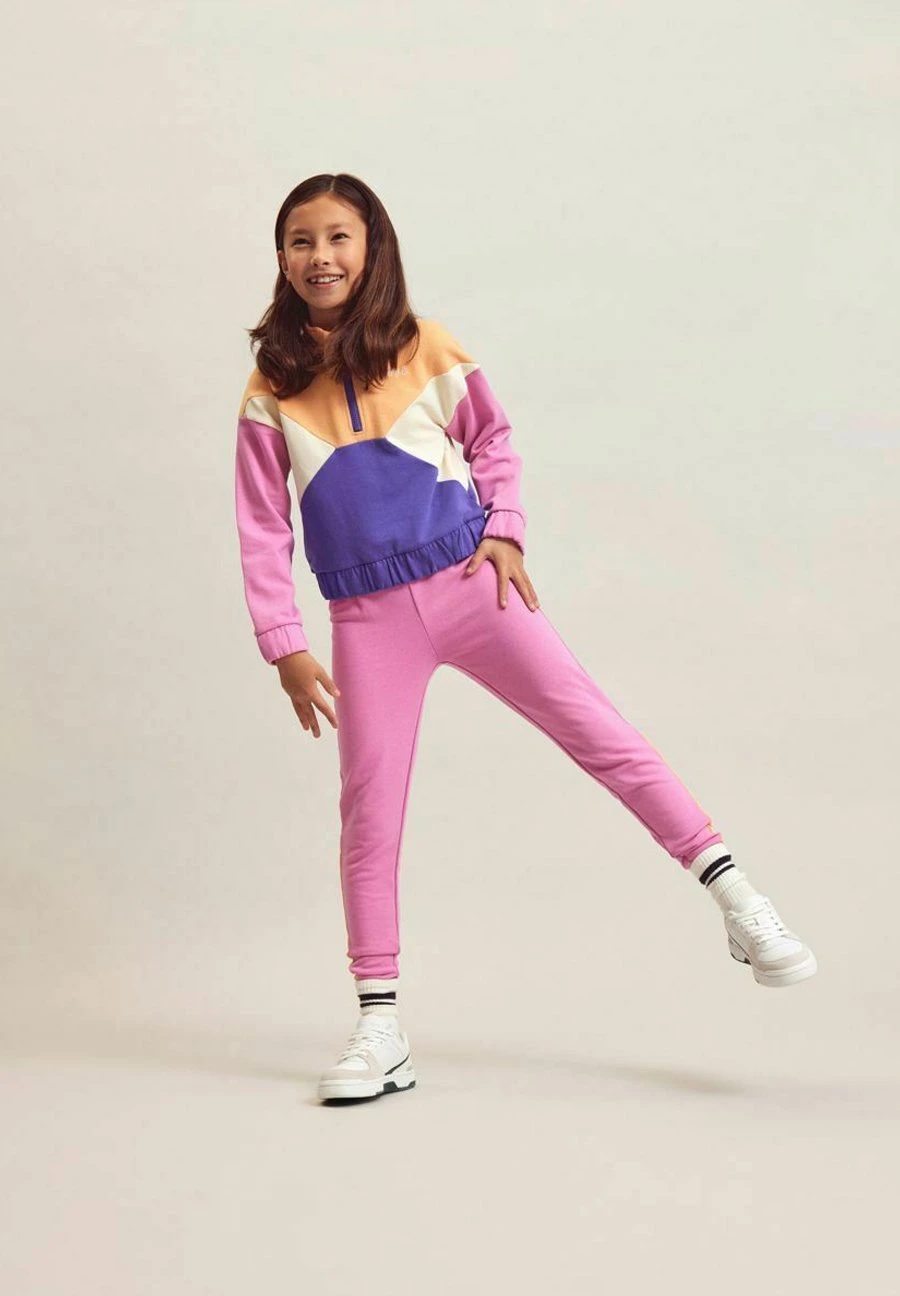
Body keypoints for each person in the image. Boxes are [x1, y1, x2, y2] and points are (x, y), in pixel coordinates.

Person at [233, 172, 817, 1105]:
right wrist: (284, 642)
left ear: (373, 248)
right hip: (366, 620)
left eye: (339, 237)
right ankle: (379, 1023)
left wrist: (504, 529)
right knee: (370, 811)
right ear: (281, 257)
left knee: (602, 734)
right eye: (301, 241)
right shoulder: (271, 388)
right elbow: (262, 524)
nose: (321, 256)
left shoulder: (425, 345)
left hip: (472, 587)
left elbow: (494, 440)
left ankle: (738, 899)